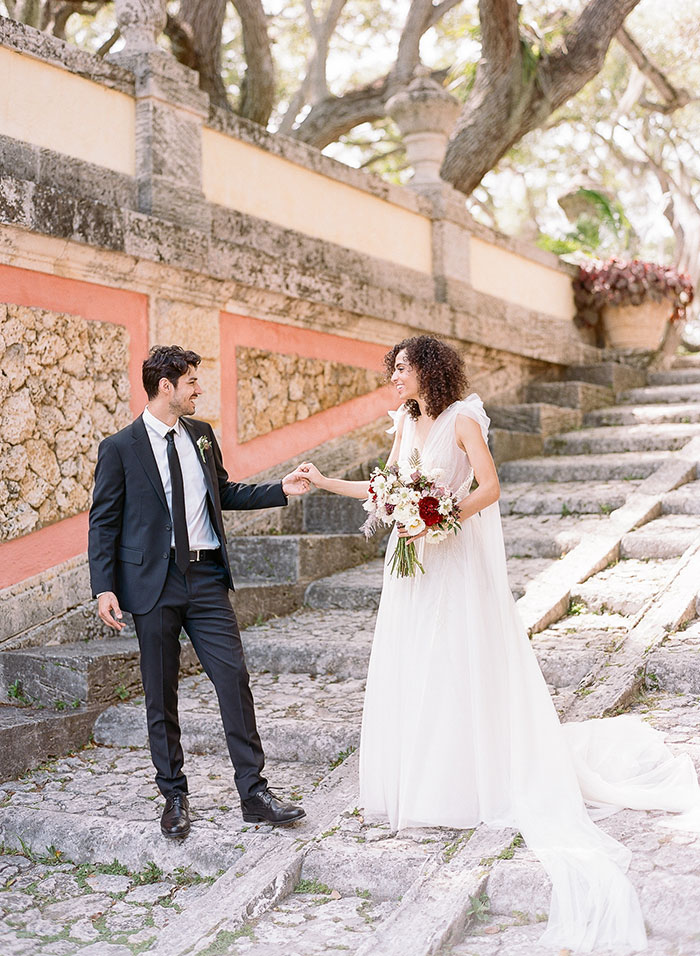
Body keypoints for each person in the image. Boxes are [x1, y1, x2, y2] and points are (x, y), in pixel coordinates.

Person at [298, 335, 700, 953]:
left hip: (451, 563)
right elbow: (385, 492)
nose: (394, 380)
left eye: (400, 370)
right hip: (410, 572)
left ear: (427, 371)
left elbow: (490, 487)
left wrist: (441, 513)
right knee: (417, 670)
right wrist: (327, 482)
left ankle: (470, 778)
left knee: (456, 666)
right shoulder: (405, 424)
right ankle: (424, 779)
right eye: (392, 372)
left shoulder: (463, 419)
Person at [89, 345, 310, 838]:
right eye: (191, 382)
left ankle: (254, 793)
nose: (198, 390)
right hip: (152, 585)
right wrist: (103, 587)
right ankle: (173, 795)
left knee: (233, 677)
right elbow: (103, 522)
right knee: (159, 693)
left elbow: (223, 492)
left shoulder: (202, 436)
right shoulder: (120, 448)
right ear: (166, 387)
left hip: (206, 578)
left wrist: (281, 488)